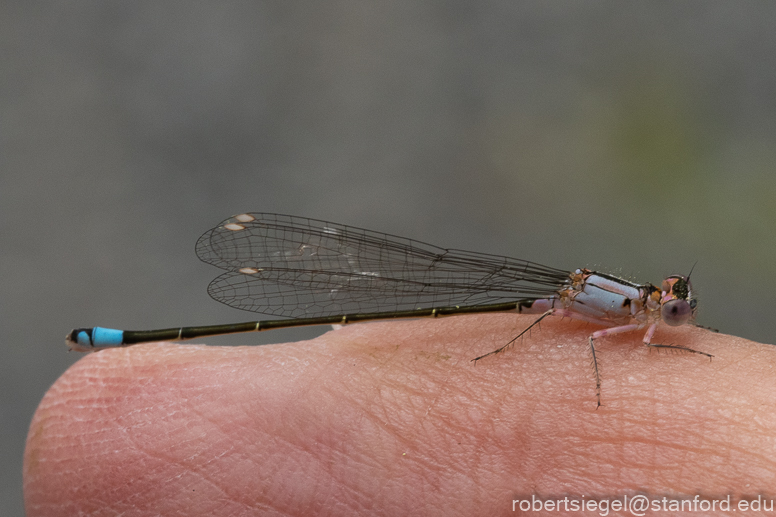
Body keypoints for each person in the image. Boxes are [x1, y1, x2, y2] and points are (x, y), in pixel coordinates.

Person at [23, 314, 775, 515]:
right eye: (670, 310)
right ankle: (119, 341)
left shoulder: (632, 317)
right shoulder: (611, 319)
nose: (675, 319)